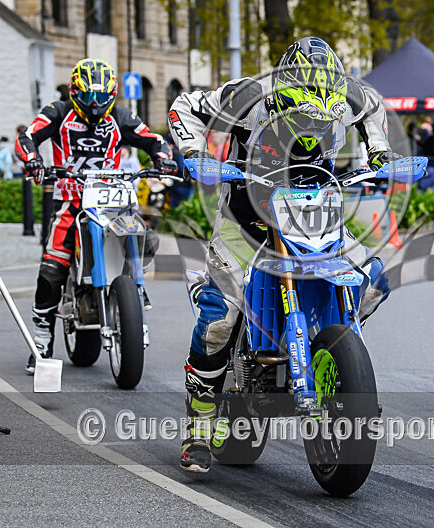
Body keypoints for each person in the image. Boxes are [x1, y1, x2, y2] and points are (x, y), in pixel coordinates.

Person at [168, 36, 393, 473]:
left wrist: (378, 149)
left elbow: (374, 107)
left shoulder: (350, 96)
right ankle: (199, 420)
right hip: (245, 220)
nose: (311, 128)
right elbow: (185, 106)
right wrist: (195, 153)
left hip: (313, 215)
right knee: (220, 318)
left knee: (374, 278)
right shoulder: (246, 96)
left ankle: (331, 348)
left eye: (322, 117)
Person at [15, 58, 175, 374]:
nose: (95, 105)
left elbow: (155, 141)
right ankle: (41, 341)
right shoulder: (57, 112)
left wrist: (164, 159)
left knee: (148, 238)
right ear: (75, 92)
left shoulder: (121, 116)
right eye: (88, 98)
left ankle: (128, 292)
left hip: (113, 199)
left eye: (102, 98)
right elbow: (27, 138)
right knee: (53, 265)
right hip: (71, 198)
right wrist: (33, 160)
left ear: (113, 95)